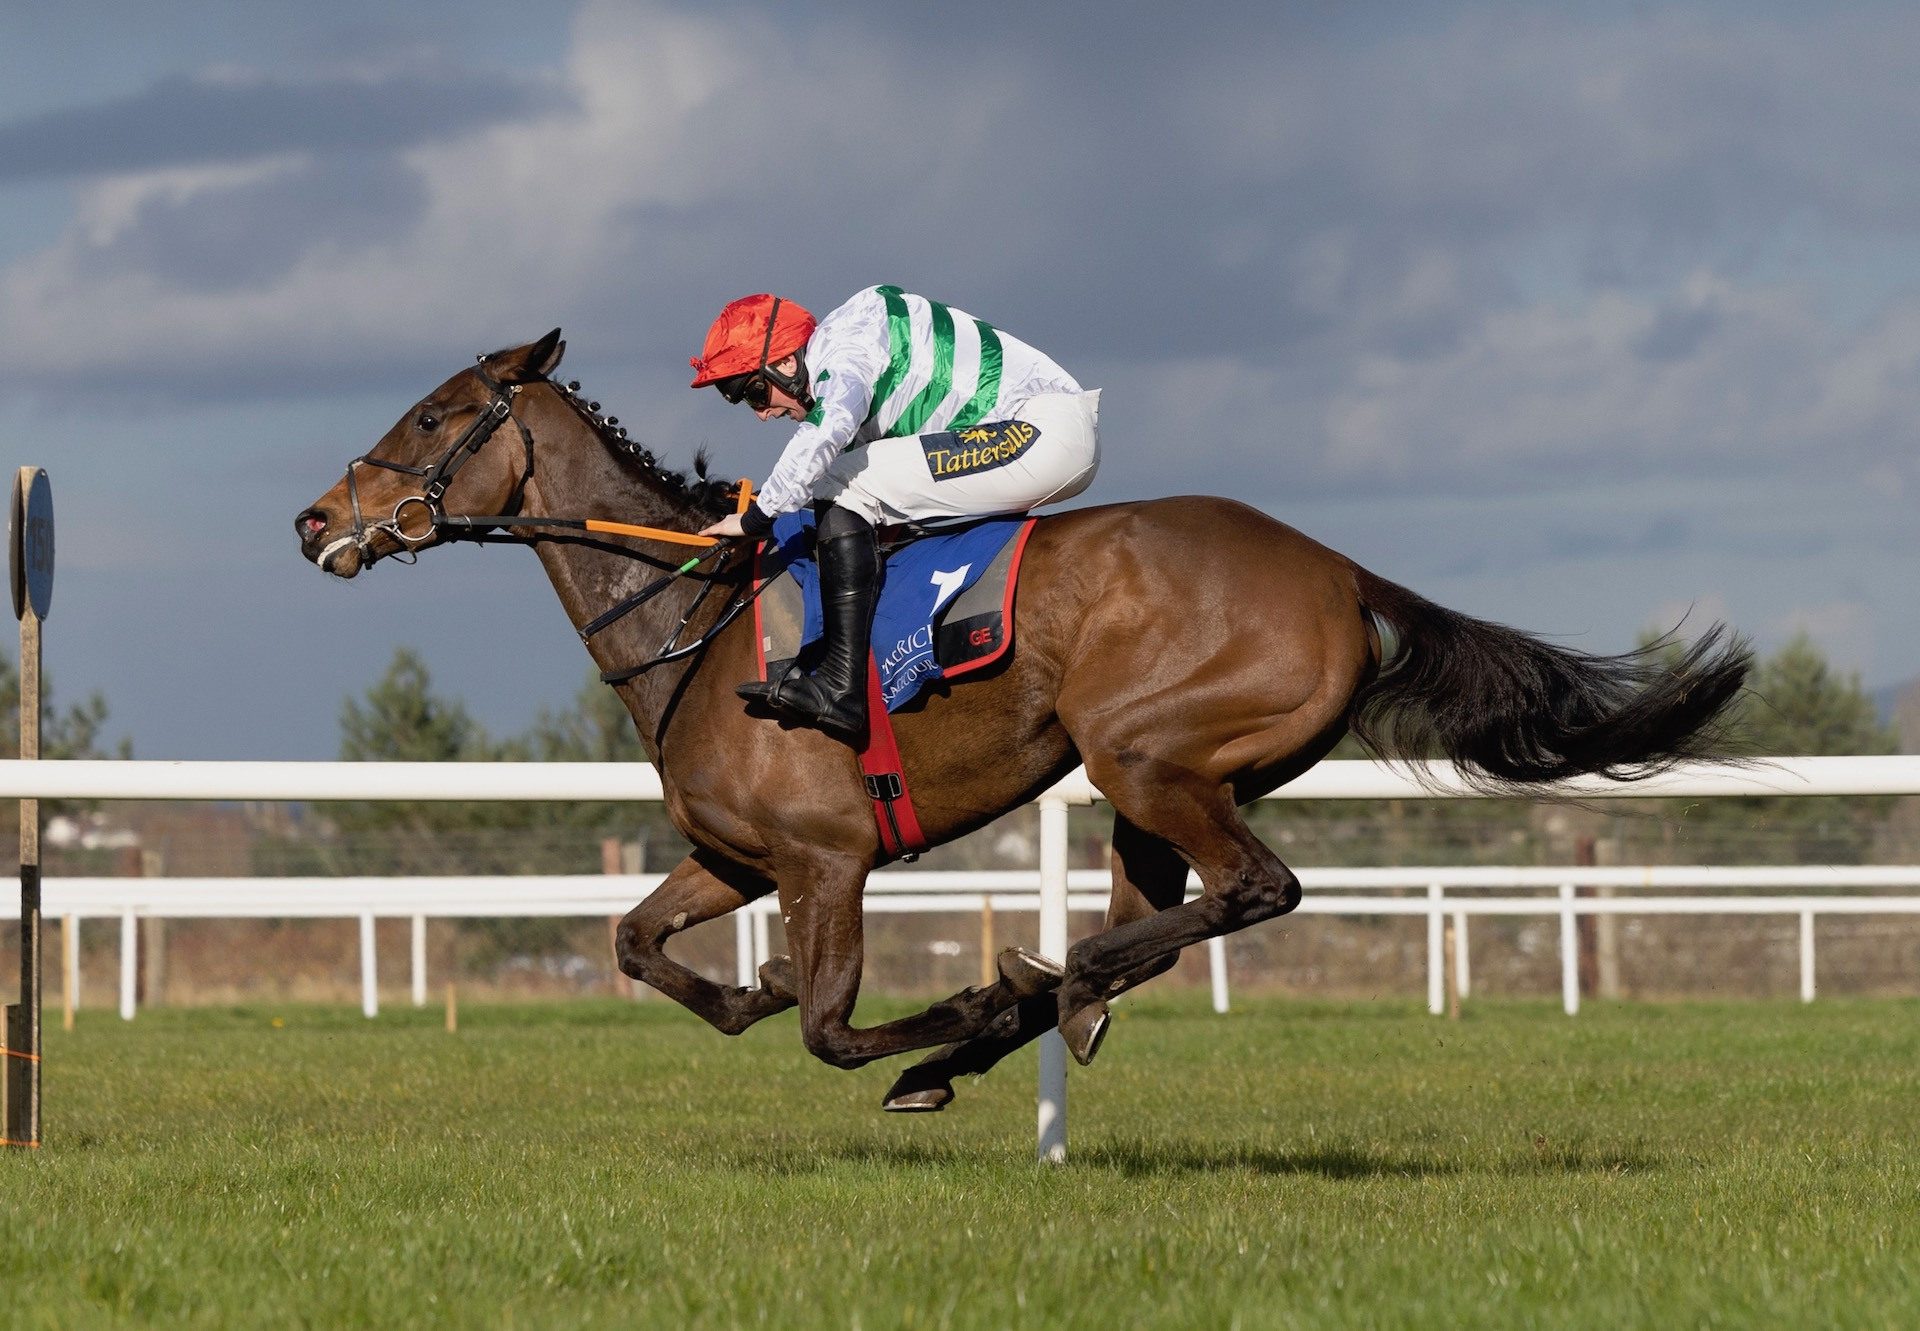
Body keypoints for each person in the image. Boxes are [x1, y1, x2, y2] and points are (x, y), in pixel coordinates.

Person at [692, 285, 1100, 740]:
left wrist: (756, 518)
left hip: (1037, 434)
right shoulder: (847, 354)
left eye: (754, 394)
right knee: (842, 485)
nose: (761, 414)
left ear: (786, 362)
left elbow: (824, 435)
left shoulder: (846, 349)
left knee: (841, 482)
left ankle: (840, 686)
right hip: (1041, 432)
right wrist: (764, 500)